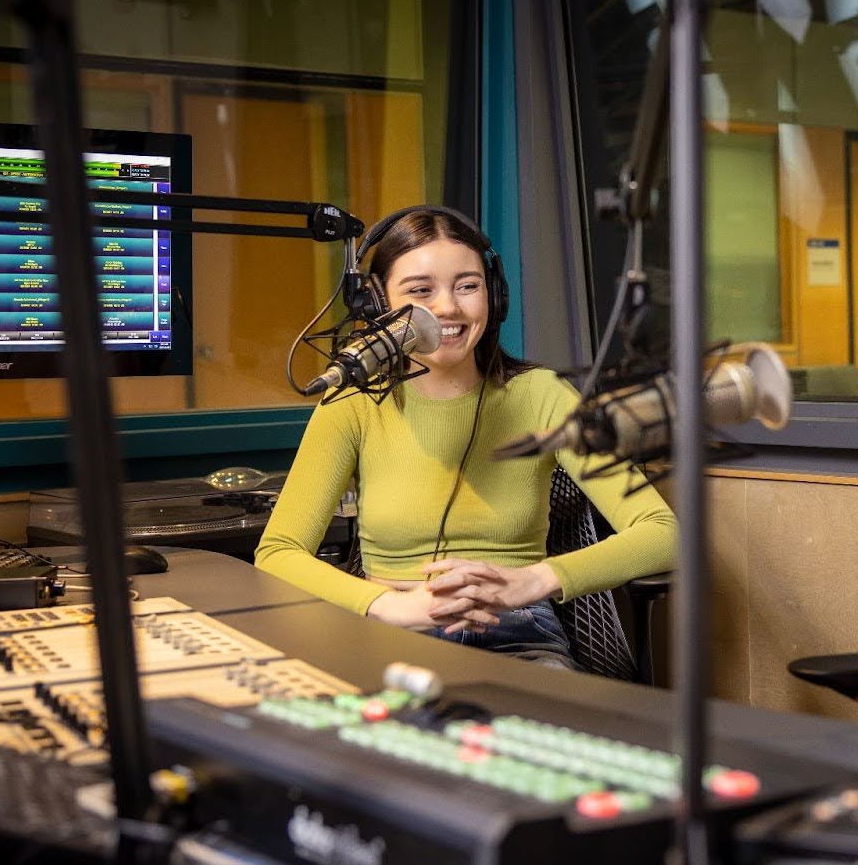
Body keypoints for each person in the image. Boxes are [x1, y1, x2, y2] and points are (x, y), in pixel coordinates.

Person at [256, 206, 676, 670]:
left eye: (467, 285)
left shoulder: (542, 395)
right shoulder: (352, 403)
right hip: (394, 631)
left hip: (517, 633)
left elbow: (664, 533)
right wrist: (389, 606)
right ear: (379, 306)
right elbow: (277, 552)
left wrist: (534, 580)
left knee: (543, 734)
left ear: (493, 296)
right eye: (420, 291)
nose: (448, 308)